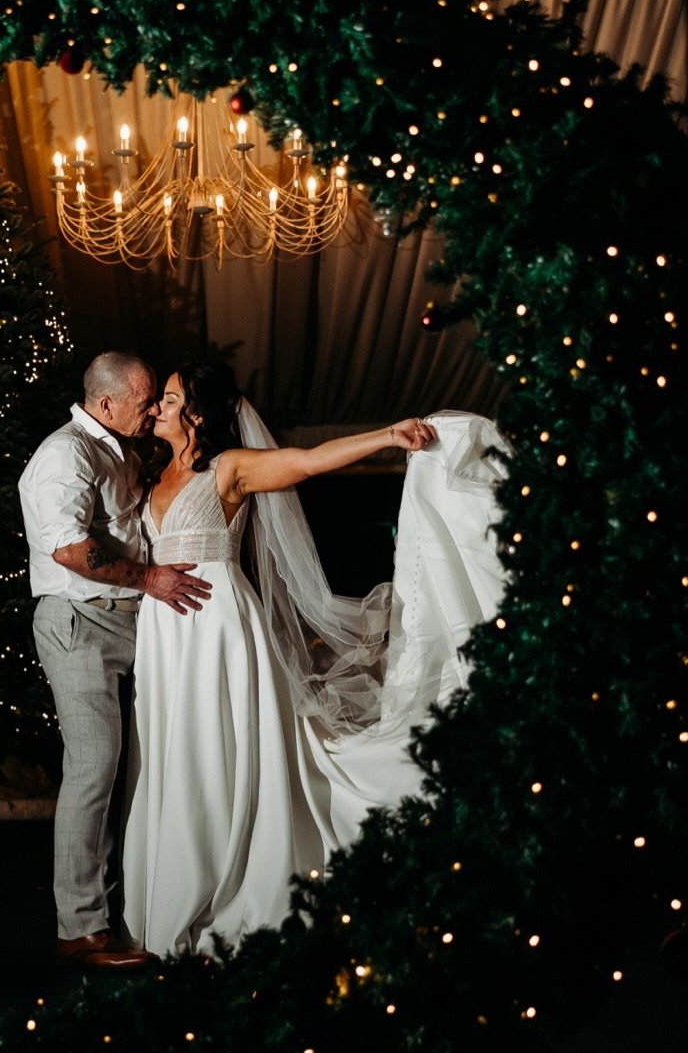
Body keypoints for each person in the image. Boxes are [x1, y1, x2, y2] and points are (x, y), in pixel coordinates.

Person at [121, 360, 508, 957]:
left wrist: (386, 435)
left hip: (216, 627)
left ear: (197, 413)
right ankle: (172, 887)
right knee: (170, 749)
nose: (157, 410)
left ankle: (217, 877)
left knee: (217, 746)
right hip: (163, 635)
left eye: (169, 400)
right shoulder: (149, 477)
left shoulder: (230, 468)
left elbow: (306, 460)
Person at [18, 351, 212, 970]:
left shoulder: (118, 448)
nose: (153, 410)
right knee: (94, 766)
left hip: (132, 620)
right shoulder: (64, 454)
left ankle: (149, 905)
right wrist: (151, 578)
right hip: (81, 623)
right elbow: (72, 551)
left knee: (149, 763)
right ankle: (80, 930)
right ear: (105, 403)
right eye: (144, 400)